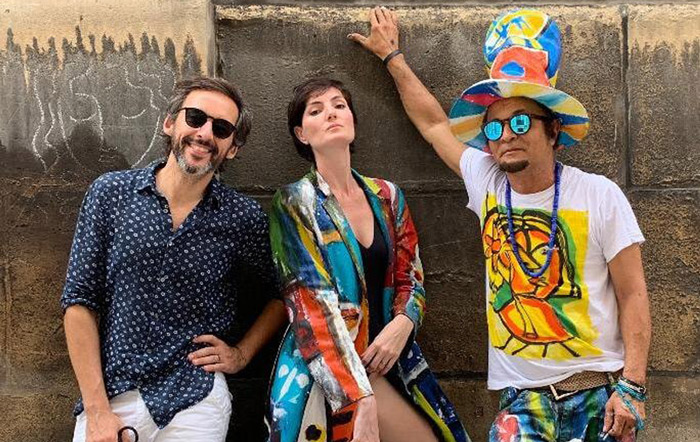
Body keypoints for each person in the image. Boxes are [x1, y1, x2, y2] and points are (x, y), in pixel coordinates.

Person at [349, 7, 651, 442]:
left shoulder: (599, 195)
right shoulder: (487, 181)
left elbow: (633, 293)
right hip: (522, 402)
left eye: (521, 121)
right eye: (495, 127)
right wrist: (391, 57)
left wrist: (632, 387)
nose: (507, 134)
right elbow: (433, 124)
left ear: (553, 131)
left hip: (596, 396)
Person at [61, 76, 287, 442]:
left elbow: (282, 293)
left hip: (195, 398)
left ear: (232, 148)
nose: (204, 133)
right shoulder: (111, 194)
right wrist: (97, 410)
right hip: (113, 394)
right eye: (195, 117)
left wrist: (241, 355)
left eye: (221, 128)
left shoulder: (242, 218)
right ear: (170, 122)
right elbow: (79, 302)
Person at [264, 78, 470, 442]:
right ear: (301, 134)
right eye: (316, 110)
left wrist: (404, 322)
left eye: (339, 105)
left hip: (387, 360)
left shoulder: (387, 196)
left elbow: (411, 277)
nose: (331, 113)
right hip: (325, 368)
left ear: (353, 120)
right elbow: (312, 306)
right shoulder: (294, 202)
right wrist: (360, 396)